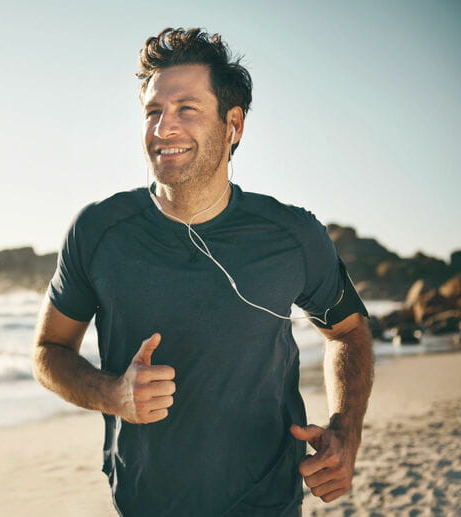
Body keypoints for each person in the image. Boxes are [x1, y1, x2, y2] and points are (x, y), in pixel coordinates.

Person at [32, 27, 373, 516]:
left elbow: (348, 333)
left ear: (233, 125)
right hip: (144, 502)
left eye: (185, 110)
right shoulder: (100, 231)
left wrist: (346, 431)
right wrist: (114, 394)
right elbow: (49, 351)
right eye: (153, 112)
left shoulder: (293, 234)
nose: (162, 128)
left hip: (267, 501)